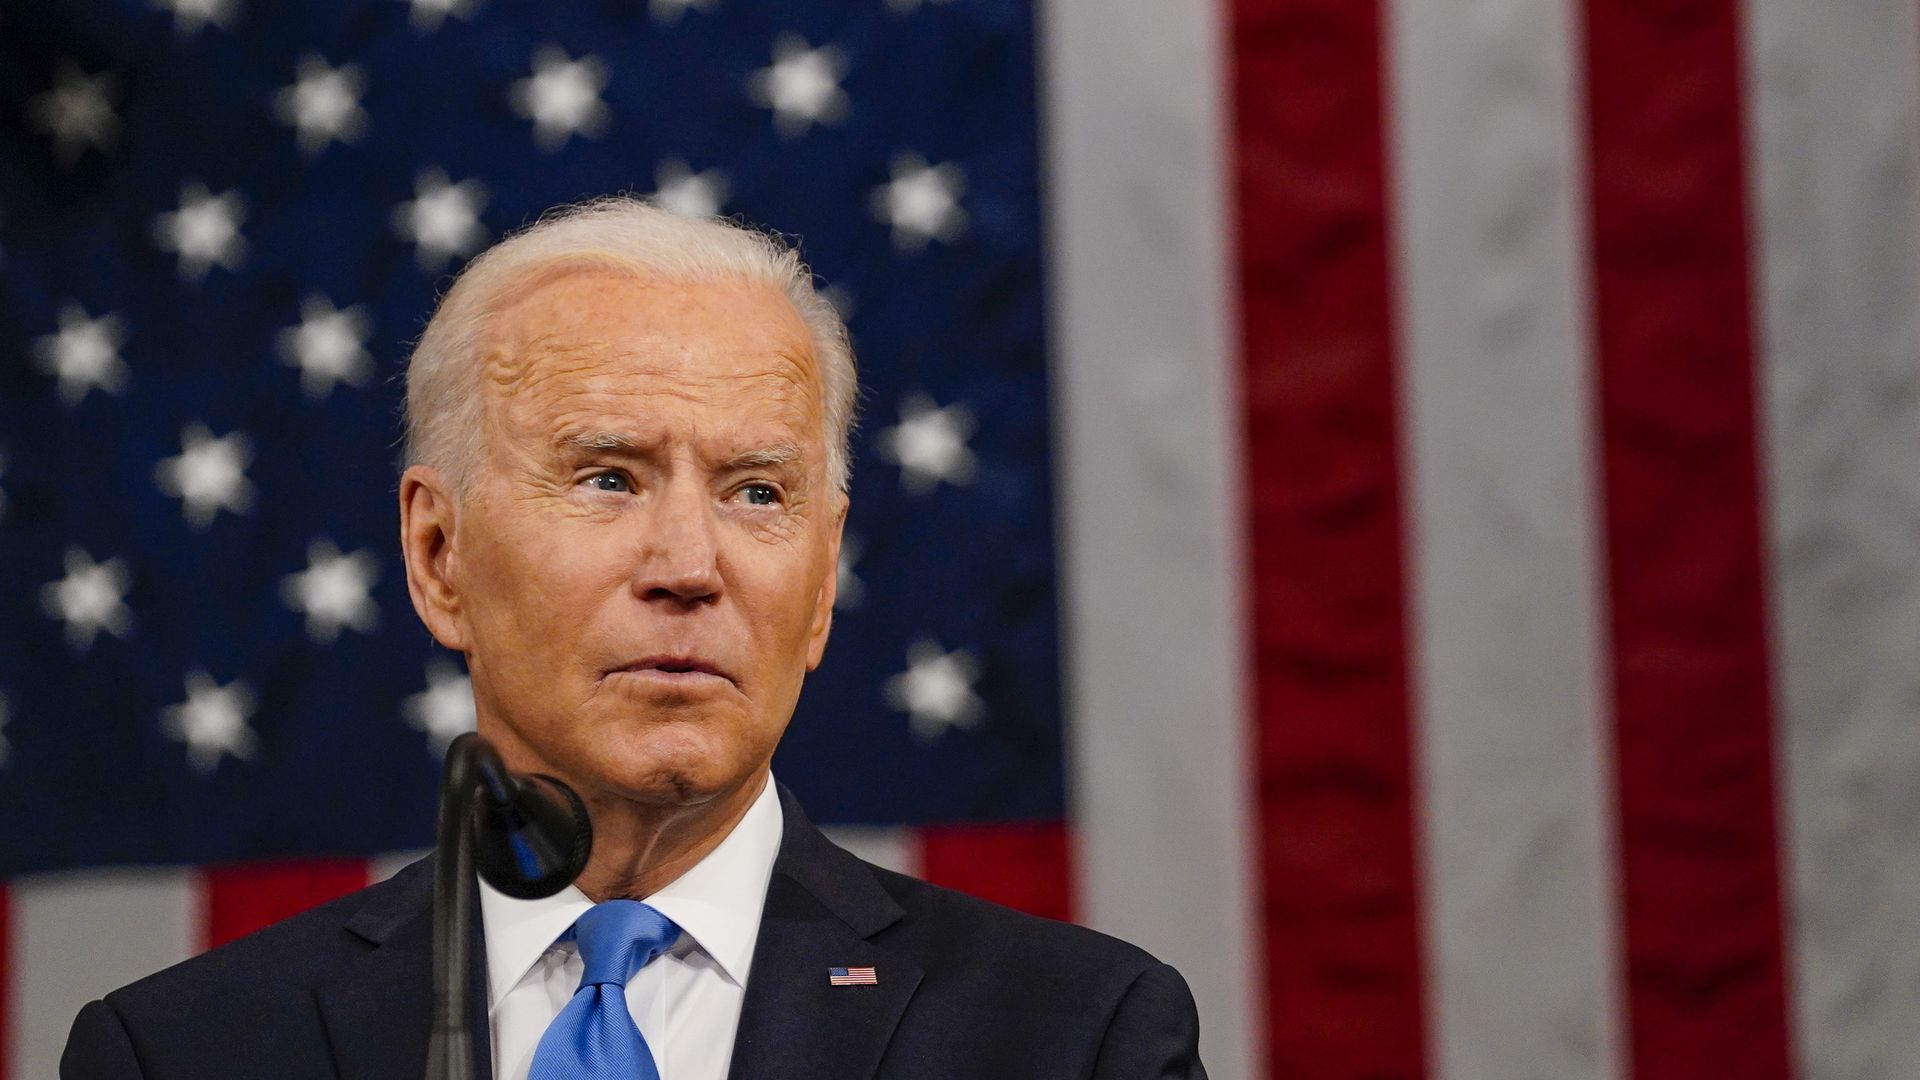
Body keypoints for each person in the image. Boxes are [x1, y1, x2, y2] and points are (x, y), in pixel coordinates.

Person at [59, 197, 1207, 1079]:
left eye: (758, 493)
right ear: (437, 555)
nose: (689, 567)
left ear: (821, 588)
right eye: (609, 477)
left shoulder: (1074, 1041)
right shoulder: (184, 1053)